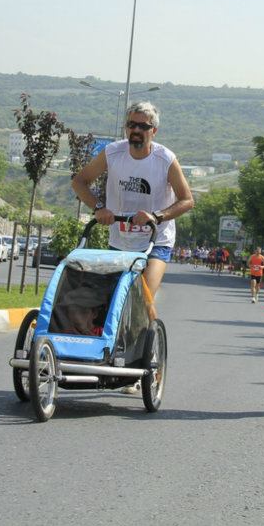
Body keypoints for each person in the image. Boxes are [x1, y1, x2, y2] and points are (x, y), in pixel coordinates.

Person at [71, 102, 194, 392]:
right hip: (120, 240)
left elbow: (187, 199)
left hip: (156, 241)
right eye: (132, 125)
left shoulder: (165, 159)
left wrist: (157, 216)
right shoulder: (113, 153)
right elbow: (80, 182)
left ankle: (150, 358)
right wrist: (99, 207)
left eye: (142, 127)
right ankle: (110, 355)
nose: (136, 131)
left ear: (154, 131)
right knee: (111, 301)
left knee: (142, 296)